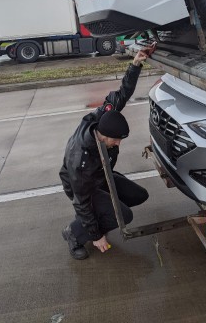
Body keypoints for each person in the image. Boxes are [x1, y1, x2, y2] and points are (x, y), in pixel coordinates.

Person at [59, 49, 150, 260]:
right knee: (124, 215)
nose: (118, 144)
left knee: (138, 195)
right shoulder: (81, 159)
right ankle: (74, 233)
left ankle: (100, 214)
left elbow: (122, 94)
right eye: (116, 140)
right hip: (82, 186)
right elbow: (81, 200)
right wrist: (97, 235)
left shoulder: (103, 118)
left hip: (100, 176)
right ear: (103, 136)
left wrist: (135, 65)